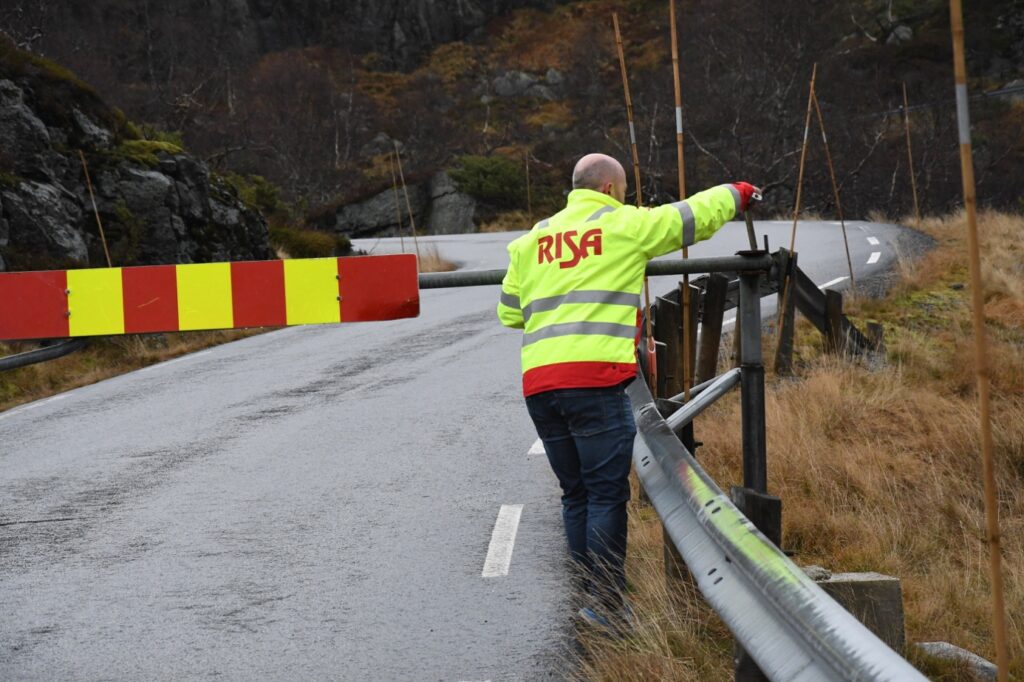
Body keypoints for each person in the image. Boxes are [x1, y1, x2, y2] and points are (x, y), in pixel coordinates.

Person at [497, 152, 759, 626]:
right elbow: (690, 216)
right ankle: (608, 606)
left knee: (574, 495)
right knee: (603, 495)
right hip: (594, 380)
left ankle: (590, 598)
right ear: (612, 189)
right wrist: (737, 195)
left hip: (540, 384)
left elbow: (510, 313)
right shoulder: (622, 225)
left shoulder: (529, 242)